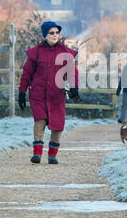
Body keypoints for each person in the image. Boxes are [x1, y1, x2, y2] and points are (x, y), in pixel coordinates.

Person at [18, 21, 81, 164]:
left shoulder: (65, 52)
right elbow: (26, 74)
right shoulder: (37, 52)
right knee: (40, 121)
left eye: (57, 33)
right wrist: (22, 92)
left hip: (56, 95)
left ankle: (52, 155)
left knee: (58, 124)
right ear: (45, 35)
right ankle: (37, 154)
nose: (55, 35)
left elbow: (72, 72)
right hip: (38, 94)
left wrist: (74, 87)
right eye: (51, 33)